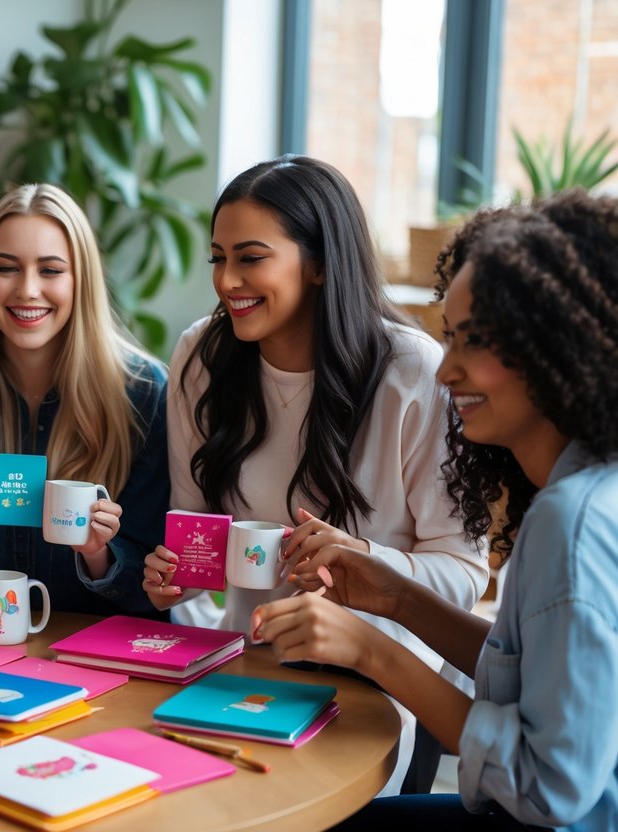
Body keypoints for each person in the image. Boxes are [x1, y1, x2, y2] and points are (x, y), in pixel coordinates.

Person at [256, 190, 618, 829]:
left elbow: (547, 789)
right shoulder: (584, 490)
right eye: (448, 338)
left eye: (472, 343)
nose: (445, 371)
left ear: (557, 346)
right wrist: (397, 598)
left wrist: (372, 651)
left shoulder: (574, 522)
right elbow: (534, 673)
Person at [141, 155, 488, 791]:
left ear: (322, 263)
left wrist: (369, 564)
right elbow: (194, 547)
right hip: (250, 672)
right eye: (218, 257)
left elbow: (465, 571)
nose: (227, 281)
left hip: (384, 688)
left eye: (250, 257)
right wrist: (176, 579)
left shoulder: (412, 370)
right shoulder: (201, 355)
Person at [0, 183, 168, 617]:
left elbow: (153, 594)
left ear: (80, 280)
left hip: (98, 657)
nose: (27, 290)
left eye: (50, 270)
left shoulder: (143, 392)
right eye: (6, 268)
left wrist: (98, 554)